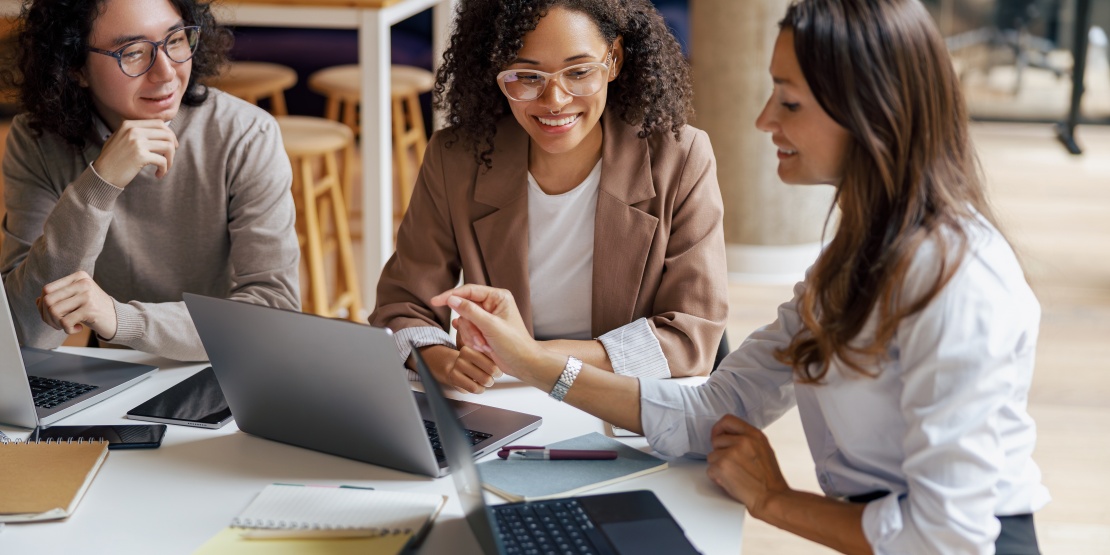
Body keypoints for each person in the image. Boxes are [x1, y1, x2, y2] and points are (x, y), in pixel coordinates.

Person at [432, 0, 1050, 553]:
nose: (762, 121)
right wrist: (536, 363)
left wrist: (774, 500)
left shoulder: (957, 284)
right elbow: (715, 407)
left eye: (789, 100)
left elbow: (946, 540)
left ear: (871, 113)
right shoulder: (853, 261)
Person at [370, 0, 728, 393]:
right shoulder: (456, 159)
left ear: (614, 60)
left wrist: (533, 357)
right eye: (527, 75)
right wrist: (444, 362)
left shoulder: (680, 157)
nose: (554, 100)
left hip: (628, 398)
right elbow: (402, 306)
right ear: (497, 71)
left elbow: (691, 334)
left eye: (578, 72)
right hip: (508, 398)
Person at [0, 0, 300, 362]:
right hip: (114, 374)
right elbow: (23, 331)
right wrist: (99, 184)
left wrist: (122, 319)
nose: (166, 72)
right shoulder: (36, 142)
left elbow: (274, 315)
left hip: (222, 368)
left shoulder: (245, 135)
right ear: (74, 66)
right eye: (134, 52)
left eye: (175, 40)